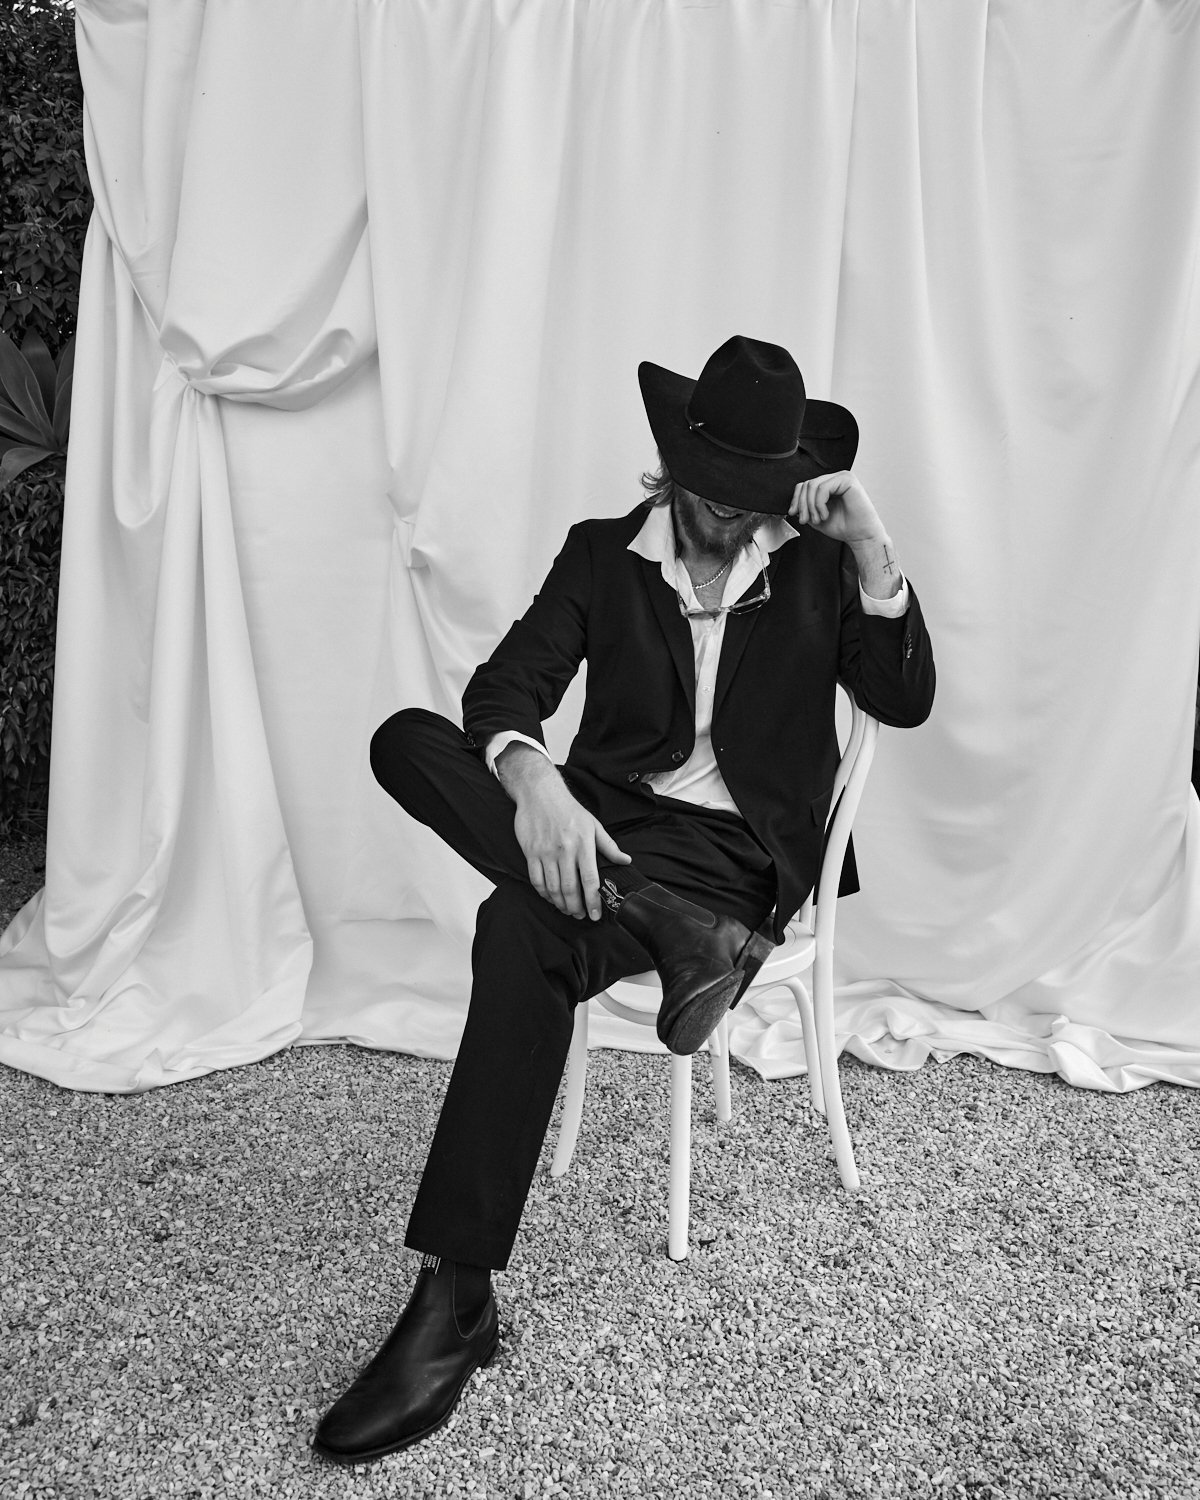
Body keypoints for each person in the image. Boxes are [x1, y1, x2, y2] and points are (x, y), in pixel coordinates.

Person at [312, 335, 936, 1464]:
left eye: (750, 494)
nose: (723, 511)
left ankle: (454, 1308)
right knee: (409, 741)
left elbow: (905, 696)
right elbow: (504, 687)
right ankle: (676, 942)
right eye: (707, 485)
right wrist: (535, 781)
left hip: (740, 862)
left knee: (517, 924)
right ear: (672, 458)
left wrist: (872, 547)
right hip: (602, 832)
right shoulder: (602, 557)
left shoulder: (813, 568)